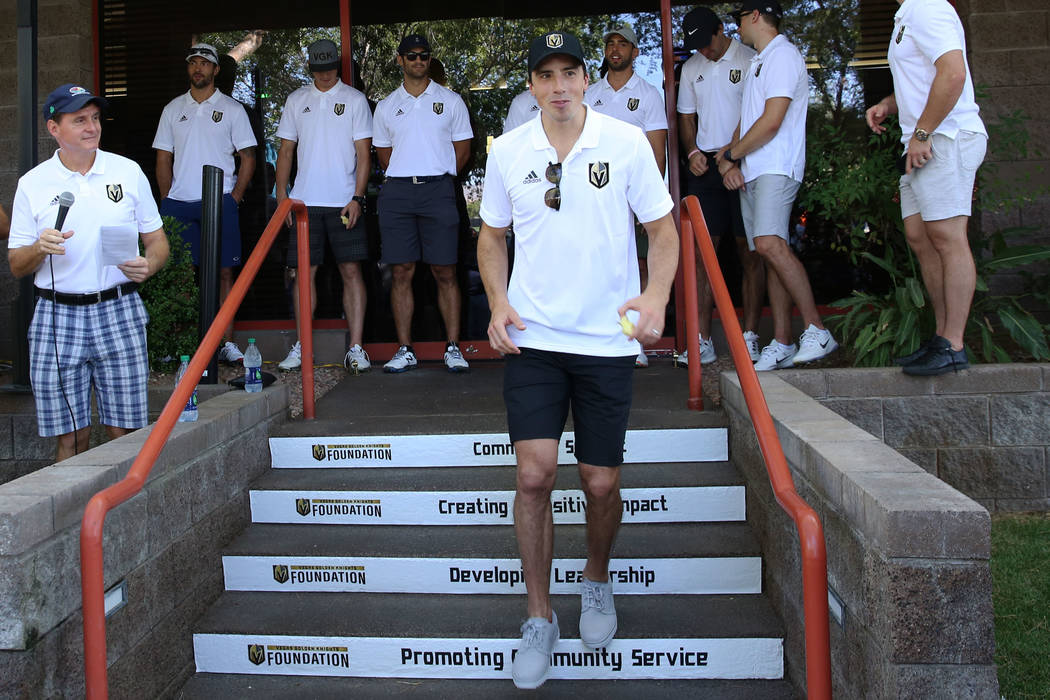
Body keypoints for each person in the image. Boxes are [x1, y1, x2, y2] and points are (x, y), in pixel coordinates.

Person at [477, 32, 679, 690]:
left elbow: (662, 230)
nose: (559, 84)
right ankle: (539, 617)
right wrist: (499, 301)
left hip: (606, 344)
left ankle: (595, 580)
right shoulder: (508, 150)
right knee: (534, 478)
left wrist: (655, 295)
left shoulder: (623, 143)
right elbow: (491, 235)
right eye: (546, 74)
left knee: (599, 483)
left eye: (570, 72)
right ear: (531, 86)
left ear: (587, 78)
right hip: (535, 341)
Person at [8, 84, 169, 461]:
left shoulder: (127, 171)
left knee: (126, 430)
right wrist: (37, 249)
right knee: (72, 437)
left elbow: (158, 242)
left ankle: (124, 517)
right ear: (54, 129)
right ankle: (74, 518)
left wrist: (151, 264)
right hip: (57, 315)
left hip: (119, 308)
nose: (91, 127)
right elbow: (16, 264)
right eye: (79, 119)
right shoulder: (32, 185)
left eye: (95, 118)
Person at [866, 0, 986, 376]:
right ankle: (941, 338)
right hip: (925, 140)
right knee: (920, 235)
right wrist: (888, 104)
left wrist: (922, 132)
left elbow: (952, 74)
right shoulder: (907, 14)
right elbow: (922, 79)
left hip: (945, 137)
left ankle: (953, 343)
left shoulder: (928, 7)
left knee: (947, 235)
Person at [716, 0, 837, 370]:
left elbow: (771, 122)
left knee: (769, 244)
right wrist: (728, 159)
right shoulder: (759, 61)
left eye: (738, 19)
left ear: (755, 16)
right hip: (755, 170)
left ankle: (817, 328)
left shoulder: (783, 55)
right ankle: (782, 340)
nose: (736, 28)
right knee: (768, 252)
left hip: (776, 166)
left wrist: (732, 154)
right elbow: (748, 119)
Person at [372, 33, 473, 373]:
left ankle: (453, 347)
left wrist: (436, 176)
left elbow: (462, 151)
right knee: (401, 271)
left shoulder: (452, 100)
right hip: (398, 192)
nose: (418, 60)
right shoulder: (386, 106)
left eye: (424, 55)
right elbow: (384, 156)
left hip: (438, 190)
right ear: (400, 60)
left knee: (445, 270)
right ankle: (405, 348)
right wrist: (410, 174)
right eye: (411, 56)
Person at [274, 39, 374, 373]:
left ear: (338, 64)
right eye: (319, 68)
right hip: (304, 202)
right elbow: (285, 151)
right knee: (304, 274)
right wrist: (282, 197)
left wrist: (358, 197)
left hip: (345, 201)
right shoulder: (296, 100)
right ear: (310, 68)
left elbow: (364, 154)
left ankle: (356, 348)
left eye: (330, 67)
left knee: (351, 271)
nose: (326, 74)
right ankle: (303, 347)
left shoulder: (355, 99)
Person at [153, 43, 257, 364]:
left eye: (204, 63)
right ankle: (184, 344)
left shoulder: (233, 109)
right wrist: (167, 198)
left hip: (219, 201)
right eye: (193, 63)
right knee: (182, 274)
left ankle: (225, 343)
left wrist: (235, 197)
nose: (198, 68)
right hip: (179, 204)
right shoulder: (172, 109)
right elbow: (163, 158)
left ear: (215, 70)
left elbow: (248, 158)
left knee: (225, 272)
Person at [677, 6, 765, 366]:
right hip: (707, 168)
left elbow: (755, 113)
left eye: (707, 43)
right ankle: (701, 340)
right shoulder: (691, 67)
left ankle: (751, 336)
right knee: (703, 255)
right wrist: (692, 150)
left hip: (745, 161)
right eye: (696, 45)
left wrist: (732, 156)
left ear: (721, 30)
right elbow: (686, 117)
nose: (704, 51)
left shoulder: (750, 58)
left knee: (751, 251)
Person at [585, 23, 668, 367]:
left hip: (634, 196)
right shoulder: (591, 95)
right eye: (610, 44)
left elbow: (657, 152)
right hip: (595, 194)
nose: (615, 49)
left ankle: (635, 337)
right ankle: (600, 335)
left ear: (635, 52)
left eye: (623, 44)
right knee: (596, 264)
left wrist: (646, 200)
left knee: (640, 265)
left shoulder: (648, 93)